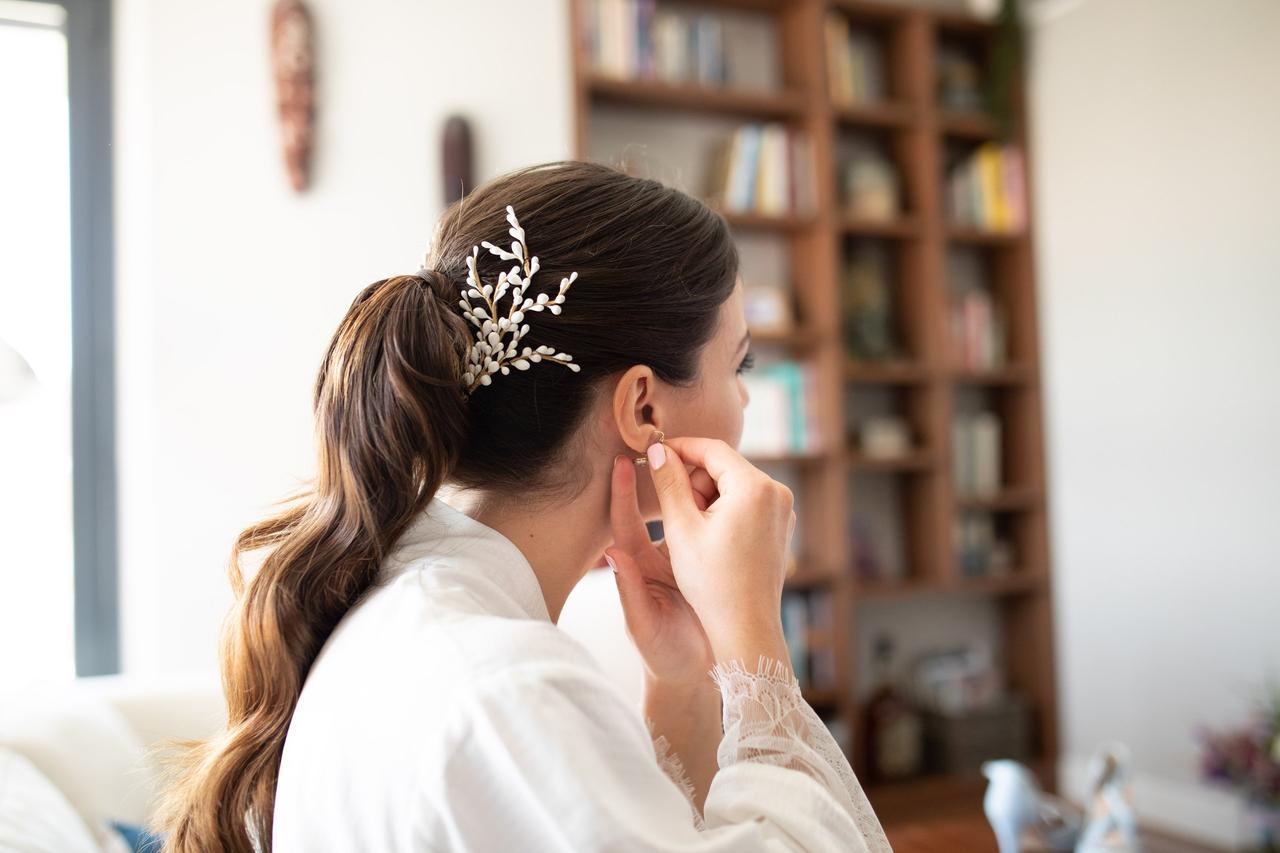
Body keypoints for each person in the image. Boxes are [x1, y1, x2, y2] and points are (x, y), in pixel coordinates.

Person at [152, 160, 892, 852]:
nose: (745, 399)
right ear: (643, 407)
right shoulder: (507, 687)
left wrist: (685, 673)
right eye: (739, 364)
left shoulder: (410, 610)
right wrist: (756, 640)